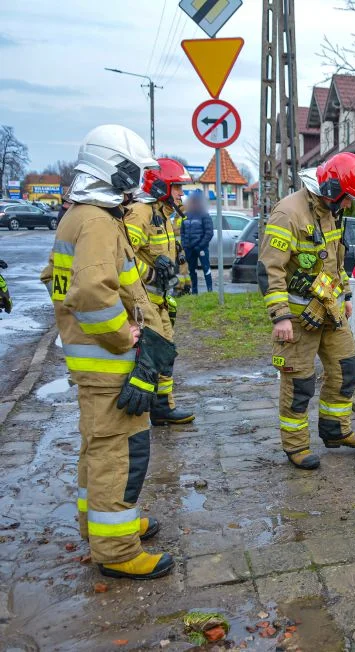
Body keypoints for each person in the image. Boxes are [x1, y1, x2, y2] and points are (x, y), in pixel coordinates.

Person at [40, 124, 175, 580]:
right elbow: (94, 294)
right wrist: (126, 337)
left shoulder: (81, 215)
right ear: (113, 170)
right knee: (119, 453)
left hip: (91, 365)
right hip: (109, 363)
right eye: (133, 171)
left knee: (98, 450)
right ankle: (117, 550)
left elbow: (61, 279)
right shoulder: (97, 221)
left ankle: (98, 524)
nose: (137, 182)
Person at [257, 152, 355, 470]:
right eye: (348, 198)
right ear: (334, 188)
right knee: (299, 384)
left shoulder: (330, 211)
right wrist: (280, 315)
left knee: (346, 368)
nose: (349, 205)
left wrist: (346, 294)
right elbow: (270, 270)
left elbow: (335, 261)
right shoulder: (288, 213)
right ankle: (295, 447)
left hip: (330, 311)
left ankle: (336, 431)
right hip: (296, 318)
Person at [124, 158, 196, 426]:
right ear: (162, 186)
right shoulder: (141, 214)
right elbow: (123, 256)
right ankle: (147, 411)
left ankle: (163, 408)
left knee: (165, 353)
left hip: (160, 301)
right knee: (153, 355)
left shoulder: (165, 216)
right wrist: (152, 273)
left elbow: (172, 256)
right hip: (143, 303)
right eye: (177, 187)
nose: (181, 193)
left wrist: (181, 281)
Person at [179, 189, 214, 294]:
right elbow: (183, 232)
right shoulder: (186, 215)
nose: (194, 203)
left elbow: (209, 233)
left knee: (206, 269)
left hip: (201, 248)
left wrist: (200, 245)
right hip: (189, 248)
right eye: (192, 201)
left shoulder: (204, 215)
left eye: (196, 201)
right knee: (192, 271)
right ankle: (194, 292)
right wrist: (185, 245)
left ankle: (210, 291)